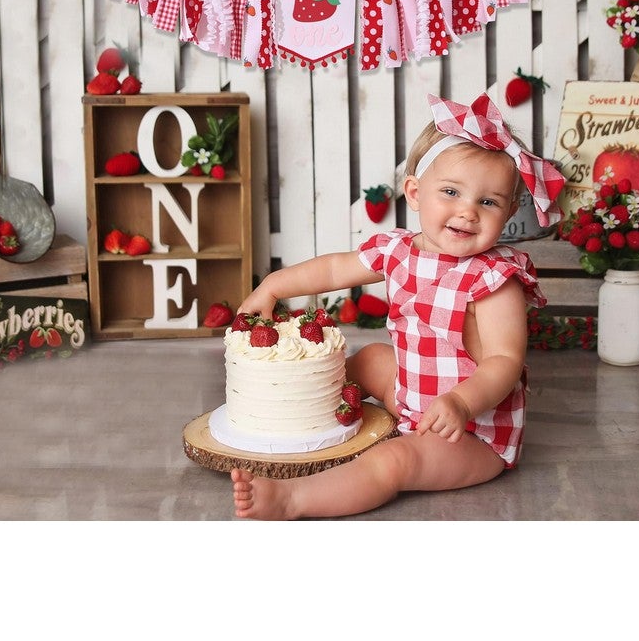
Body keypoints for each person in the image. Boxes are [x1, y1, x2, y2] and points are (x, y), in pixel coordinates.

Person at [230, 92, 565, 520]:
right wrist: (273, 286)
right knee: (370, 358)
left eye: (488, 201)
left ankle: (291, 499)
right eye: (450, 192)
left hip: (468, 431)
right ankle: (293, 415)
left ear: (509, 211)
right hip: (410, 394)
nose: (467, 212)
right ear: (414, 192)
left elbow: (504, 360)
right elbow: (334, 270)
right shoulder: (398, 251)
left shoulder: (494, 278)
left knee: (395, 462)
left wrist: (461, 403)